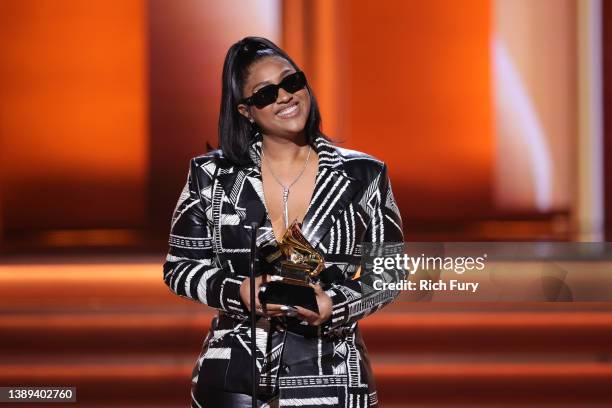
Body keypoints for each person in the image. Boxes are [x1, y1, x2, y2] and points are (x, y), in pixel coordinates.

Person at [163, 36, 404, 408]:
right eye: (265, 94)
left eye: (292, 82)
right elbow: (180, 268)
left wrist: (334, 305)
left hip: (333, 376)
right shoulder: (212, 176)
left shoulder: (363, 175)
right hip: (235, 380)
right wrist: (238, 292)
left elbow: (389, 274)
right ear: (245, 111)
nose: (285, 97)